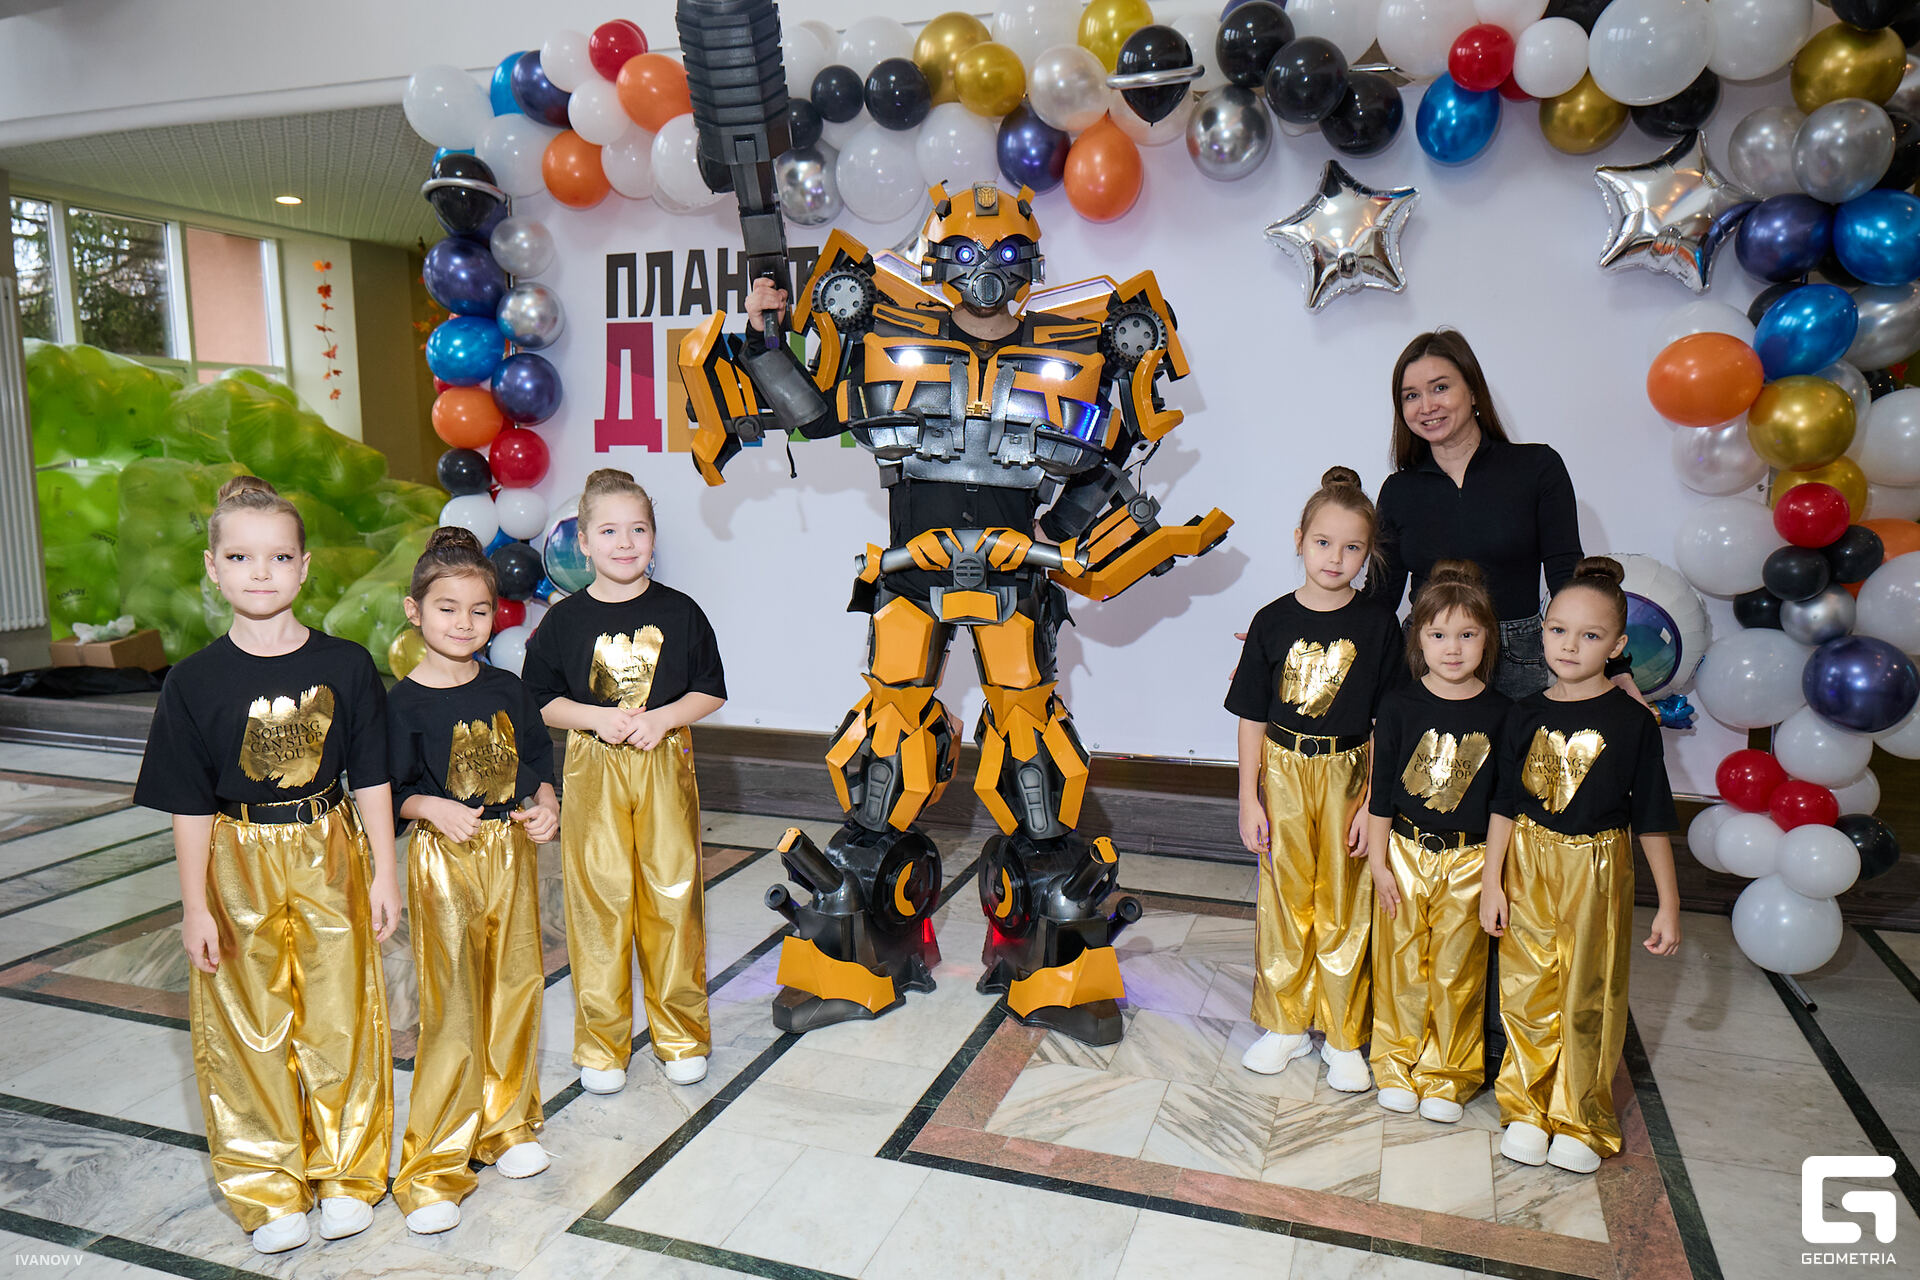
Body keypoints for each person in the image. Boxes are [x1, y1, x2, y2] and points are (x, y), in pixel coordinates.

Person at [680, 181, 1226, 1047]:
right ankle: (858, 950)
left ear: (1030, 262)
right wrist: (765, 339)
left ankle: (1053, 960)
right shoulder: (887, 324)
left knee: (1031, 746)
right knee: (887, 742)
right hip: (910, 574)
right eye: (968, 256)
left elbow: (1103, 464)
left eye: (1006, 257)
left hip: (1017, 578)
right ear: (939, 259)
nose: (987, 274)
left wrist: (1092, 537)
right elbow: (811, 414)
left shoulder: (1080, 338)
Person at [132, 476, 398, 1255]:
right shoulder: (192, 682)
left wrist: (385, 872)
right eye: (241, 556)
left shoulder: (348, 665)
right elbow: (188, 803)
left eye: (279, 556)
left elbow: (373, 776)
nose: (261, 572)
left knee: (340, 1013)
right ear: (213, 567)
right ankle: (268, 1185)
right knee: (247, 1023)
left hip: (329, 847)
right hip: (236, 855)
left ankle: (347, 1174)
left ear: (304, 567)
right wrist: (195, 905)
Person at [522, 469, 726, 1093]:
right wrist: (596, 718)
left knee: (673, 895)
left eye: (638, 529)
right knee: (599, 900)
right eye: (609, 531)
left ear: (654, 538)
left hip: (664, 760)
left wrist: (661, 719)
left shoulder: (680, 611)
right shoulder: (563, 622)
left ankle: (681, 1036)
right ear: (583, 542)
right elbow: (539, 701)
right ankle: (602, 1047)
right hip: (593, 764)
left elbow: (710, 691)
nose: (625, 542)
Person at [1482, 557, 1681, 1174]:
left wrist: (1669, 904)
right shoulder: (1523, 713)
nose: (1570, 646)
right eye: (1558, 630)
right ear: (1542, 631)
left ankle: (1578, 1114)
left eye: (1590, 635)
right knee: (1526, 985)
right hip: (1526, 861)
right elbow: (1504, 804)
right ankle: (1526, 1106)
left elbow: (1651, 815)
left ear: (1617, 646)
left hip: (1597, 866)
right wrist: (1492, 882)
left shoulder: (1633, 722)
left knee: (1587, 992)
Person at [386, 527, 560, 1235]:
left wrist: (546, 806)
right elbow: (387, 793)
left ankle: (506, 1122)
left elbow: (537, 763)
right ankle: (433, 1164)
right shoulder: (401, 703)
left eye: (479, 610)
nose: (464, 622)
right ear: (415, 611)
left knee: (517, 985)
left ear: (496, 614)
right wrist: (429, 806)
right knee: (452, 1004)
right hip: (443, 860)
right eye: (447, 608)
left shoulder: (507, 688)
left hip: (509, 854)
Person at [1227, 467, 1404, 1092]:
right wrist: (1249, 798)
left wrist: (1372, 802)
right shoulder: (1271, 620)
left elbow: (1390, 722)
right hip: (1281, 772)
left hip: (1349, 775)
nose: (1336, 557)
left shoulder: (1380, 626)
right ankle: (1286, 1023)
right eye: (1324, 542)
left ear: (1369, 553)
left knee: (1345, 900)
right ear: (1299, 539)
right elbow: (1251, 715)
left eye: (1352, 547)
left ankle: (1345, 1033)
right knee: (1285, 894)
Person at [1371, 329, 1631, 702]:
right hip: (1427, 660)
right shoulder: (1398, 490)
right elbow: (1380, 600)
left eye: (1440, 388)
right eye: (1411, 395)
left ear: (1473, 391)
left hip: (1519, 659)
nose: (1426, 406)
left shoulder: (1538, 467)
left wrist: (1615, 669)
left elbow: (1568, 581)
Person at [1366, 561, 1511, 1122]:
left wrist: (1492, 878)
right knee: (1401, 962)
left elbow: (1502, 804)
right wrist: (1379, 864)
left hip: (1469, 860)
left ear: (1487, 639)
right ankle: (1396, 1064)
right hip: (1403, 852)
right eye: (1439, 634)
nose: (1453, 649)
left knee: (1457, 971)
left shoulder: (1503, 714)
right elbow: (1382, 790)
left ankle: (1448, 1075)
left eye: (1467, 634)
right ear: (1419, 639)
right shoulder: (1399, 705)